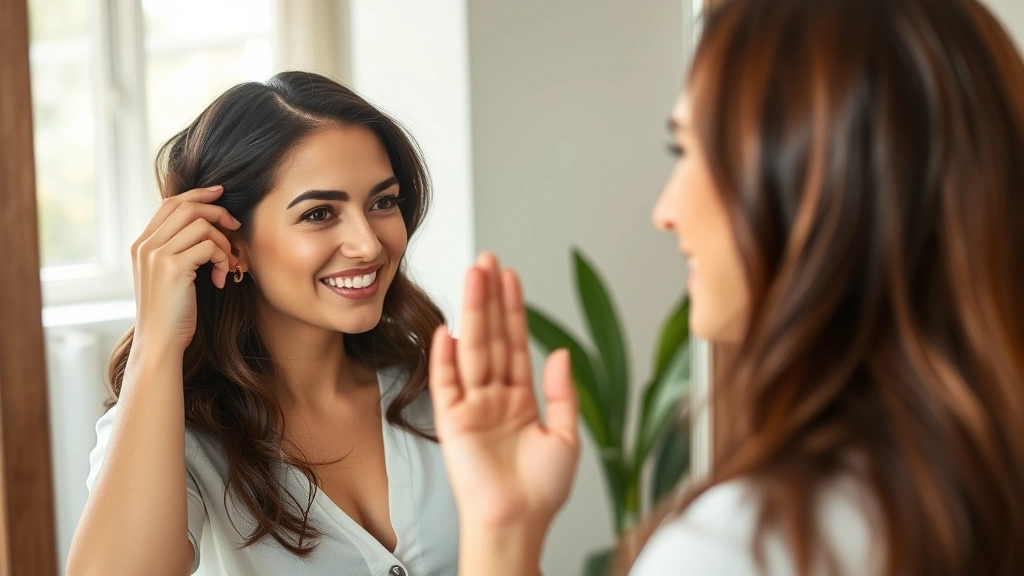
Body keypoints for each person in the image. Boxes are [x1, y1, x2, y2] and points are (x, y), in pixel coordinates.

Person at [427, 0, 1024, 574]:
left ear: (821, 182)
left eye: (686, 149)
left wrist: (497, 541)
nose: (665, 210)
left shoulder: (745, 546)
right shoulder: (976, 482)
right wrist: (505, 526)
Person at [67, 71, 457, 576]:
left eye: (383, 202)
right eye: (320, 213)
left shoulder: (435, 383)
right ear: (232, 242)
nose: (369, 244)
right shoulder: (176, 429)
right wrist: (156, 341)